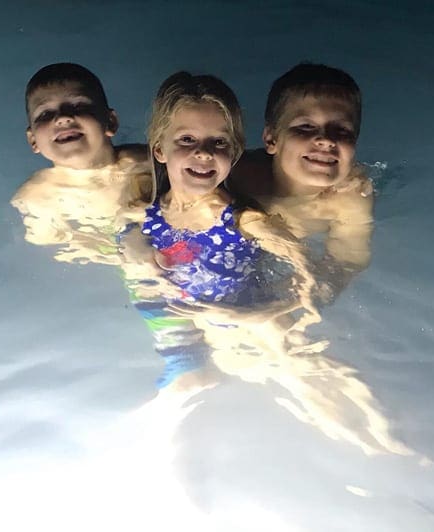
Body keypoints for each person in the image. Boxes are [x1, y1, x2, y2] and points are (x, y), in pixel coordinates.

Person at [120, 71, 319, 390]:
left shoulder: (243, 221)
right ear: (159, 149)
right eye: (187, 139)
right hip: (205, 323)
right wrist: (134, 244)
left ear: (234, 152)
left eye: (219, 142)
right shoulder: (150, 210)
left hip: (253, 321)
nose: (204, 152)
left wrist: (267, 311)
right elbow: (125, 226)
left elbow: (310, 271)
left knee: (319, 390)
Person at [229, 63, 373, 304]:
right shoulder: (240, 175)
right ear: (271, 139)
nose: (326, 140)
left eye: (341, 130)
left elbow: (347, 260)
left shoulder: (349, 198)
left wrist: (299, 297)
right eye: (306, 126)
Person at [12, 62, 152, 266]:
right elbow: (46, 247)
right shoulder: (37, 196)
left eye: (79, 106)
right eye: (45, 114)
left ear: (110, 122)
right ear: (33, 140)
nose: (62, 118)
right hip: (109, 258)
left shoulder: (145, 162)